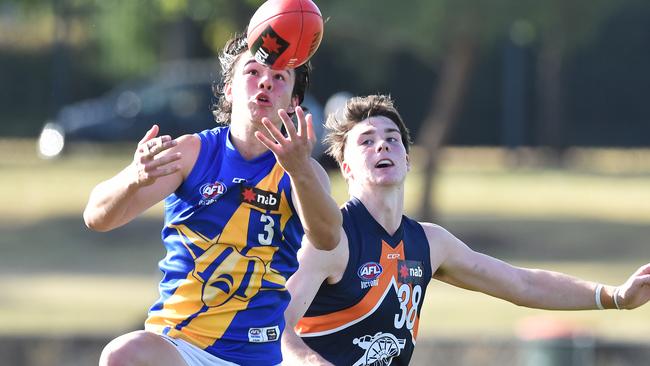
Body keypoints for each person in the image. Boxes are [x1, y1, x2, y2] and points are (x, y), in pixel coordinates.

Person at [281, 94, 650, 366]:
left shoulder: (430, 243)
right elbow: (275, 329)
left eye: (392, 138)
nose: (382, 144)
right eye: (366, 140)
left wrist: (615, 296)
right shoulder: (331, 241)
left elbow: (523, 284)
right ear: (346, 168)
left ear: (407, 160)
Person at [84, 32, 341, 366]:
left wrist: (300, 172)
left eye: (279, 77)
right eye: (252, 72)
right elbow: (96, 216)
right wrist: (133, 177)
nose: (264, 83)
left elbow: (328, 237)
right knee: (122, 355)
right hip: (179, 345)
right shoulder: (192, 153)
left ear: (293, 101)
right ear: (229, 89)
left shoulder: (303, 173)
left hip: (255, 357)